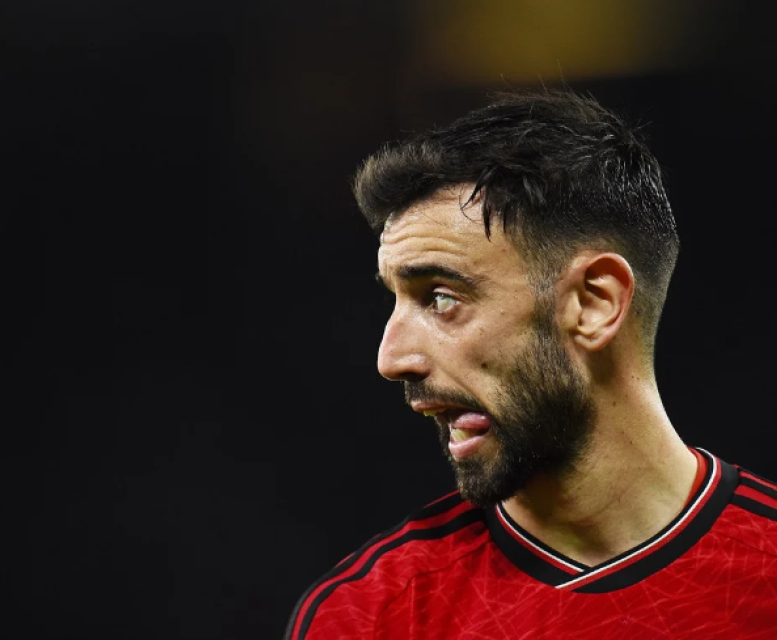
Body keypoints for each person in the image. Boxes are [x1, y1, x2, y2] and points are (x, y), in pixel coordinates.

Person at [284, 89, 777, 639]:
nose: (391, 359)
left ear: (593, 303)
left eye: (441, 297)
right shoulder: (367, 619)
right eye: (393, 299)